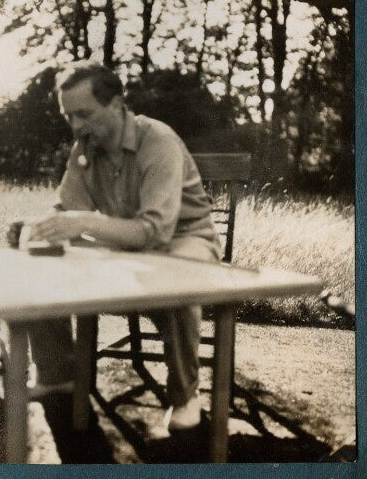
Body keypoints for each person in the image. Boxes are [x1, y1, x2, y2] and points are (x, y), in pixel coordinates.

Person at [24, 61, 222, 430]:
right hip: (124, 243)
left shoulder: (157, 139)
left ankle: (185, 396)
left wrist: (83, 223)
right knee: (39, 261)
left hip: (185, 238)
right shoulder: (84, 148)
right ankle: (58, 375)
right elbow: (68, 208)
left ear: (116, 104)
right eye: (69, 116)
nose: (76, 126)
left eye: (84, 114)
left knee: (178, 281)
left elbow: (156, 232)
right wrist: (40, 226)